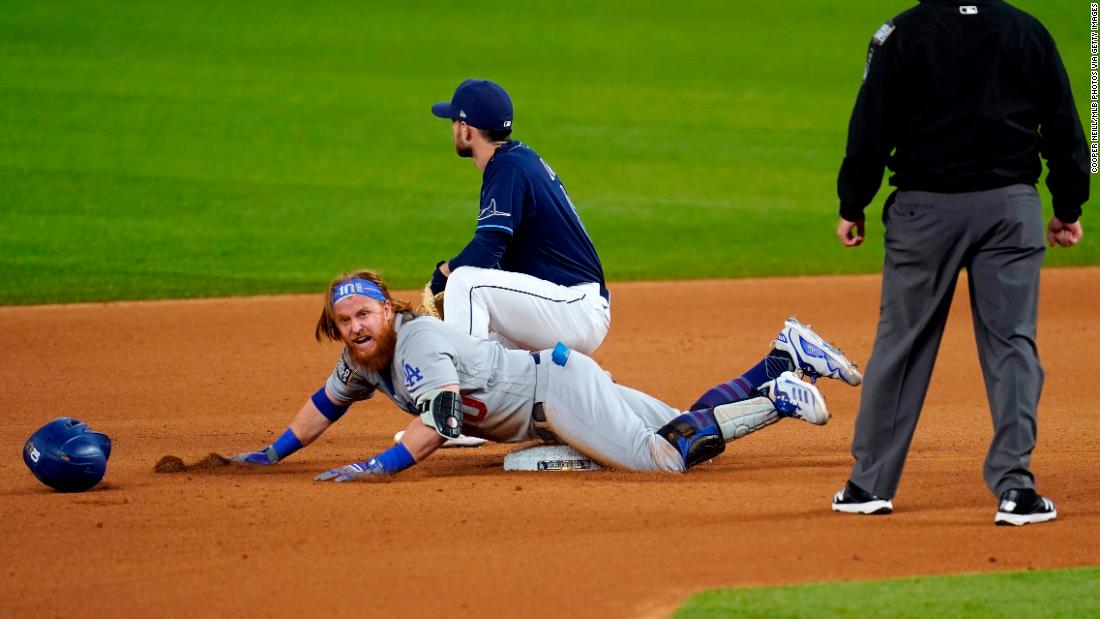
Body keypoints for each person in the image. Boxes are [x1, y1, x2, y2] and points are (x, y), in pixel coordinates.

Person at [832, 0, 1088, 525]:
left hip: (923, 212)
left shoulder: (900, 32)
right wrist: (1068, 206)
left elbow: (869, 127)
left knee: (901, 341)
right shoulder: (1028, 31)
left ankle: (867, 486)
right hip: (1009, 208)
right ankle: (1016, 491)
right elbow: (1066, 126)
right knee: (1012, 344)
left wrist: (852, 203)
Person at [232, 271, 863, 479]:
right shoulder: (361, 360)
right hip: (555, 385)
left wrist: (378, 468)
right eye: (343, 320)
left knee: (665, 460)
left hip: (556, 395)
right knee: (683, 428)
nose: (355, 327)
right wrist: (270, 452)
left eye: (364, 313)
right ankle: (782, 360)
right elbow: (324, 403)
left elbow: (443, 421)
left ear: (387, 309)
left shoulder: (416, 341)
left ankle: (779, 399)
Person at [426, 79, 610, 356]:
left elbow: (487, 248)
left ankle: (462, 387)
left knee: (466, 283)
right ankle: (583, 383)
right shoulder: (516, 159)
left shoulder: (507, 167)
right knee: (494, 345)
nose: (452, 129)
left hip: (574, 307)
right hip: (563, 305)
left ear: (466, 129)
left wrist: (444, 274)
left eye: (453, 121)